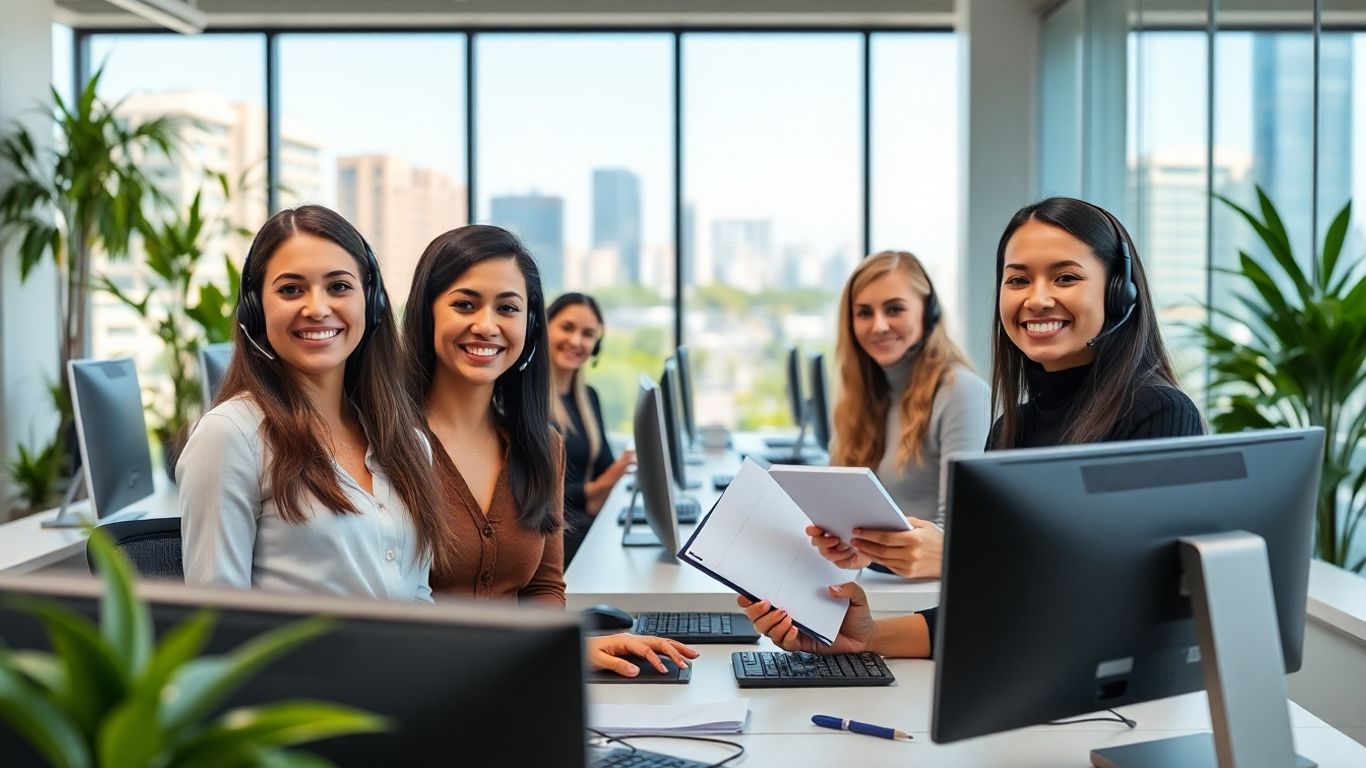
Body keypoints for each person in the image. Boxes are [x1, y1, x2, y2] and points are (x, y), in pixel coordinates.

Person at [742, 196, 1205, 658]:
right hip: (1028, 692)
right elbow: (996, 611)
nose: (1037, 298)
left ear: (1118, 290)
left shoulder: (1160, 414)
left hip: (1121, 712)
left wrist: (960, 557)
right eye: (1018, 280)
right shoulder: (1013, 427)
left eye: (1065, 277)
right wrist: (866, 638)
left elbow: (1121, 597)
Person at [403, 225, 697, 676]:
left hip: (517, 690)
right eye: (465, 304)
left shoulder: (542, 448)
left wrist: (563, 651)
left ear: (528, 325)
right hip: (420, 691)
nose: (487, 325)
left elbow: (543, 587)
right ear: (427, 313)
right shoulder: (385, 446)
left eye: (508, 308)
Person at [180, 205, 448, 603]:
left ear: (370, 302)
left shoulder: (407, 443)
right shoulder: (231, 436)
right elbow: (216, 622)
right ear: (255, 310)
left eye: (339, 286)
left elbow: (417, 593)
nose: (317, 308)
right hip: (296, 668)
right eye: (291, 289)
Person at [806, 251, 989, 579]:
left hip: (933, 598)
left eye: (894, 309)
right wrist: (853, 546)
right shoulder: (862, 395)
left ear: (928, 313)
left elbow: (960, 536)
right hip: (883, 584)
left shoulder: (960, 391)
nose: (878, 325)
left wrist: (878, 555)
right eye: (864, 312)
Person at [547, 292, 636, 565]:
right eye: (567, 327)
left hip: (588, 531)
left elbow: (604, 467)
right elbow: (539, 498)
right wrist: (597, 488)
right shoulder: (525, 402)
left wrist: (627, 464)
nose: (576, 341)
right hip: (557, 541)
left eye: (588, 334)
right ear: (544, 329)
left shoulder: (589, 397)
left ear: (596, 346)